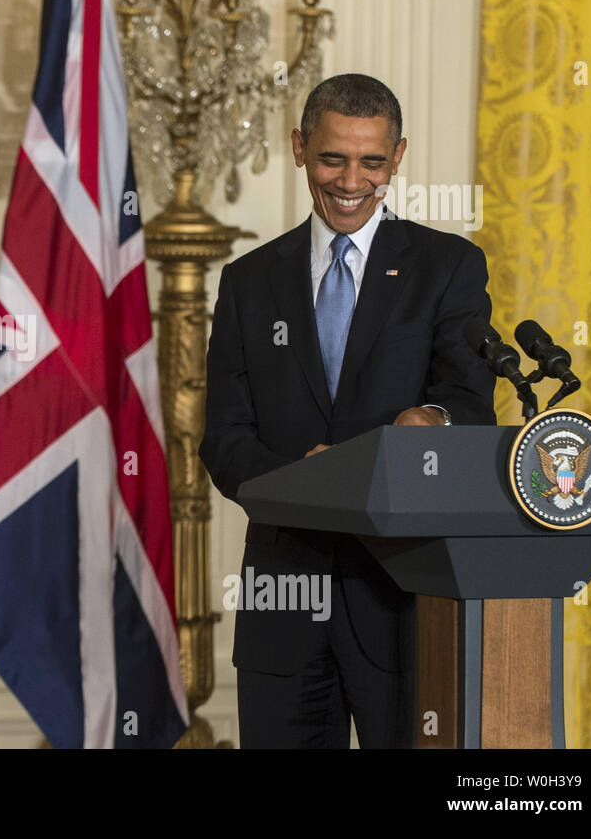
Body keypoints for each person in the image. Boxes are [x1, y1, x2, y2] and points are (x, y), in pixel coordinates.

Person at [199, 73, 496, 749]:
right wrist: (300, 482)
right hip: (283, 606)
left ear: (398, 158)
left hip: (402, 601)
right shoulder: (249, 281)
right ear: (301, 147)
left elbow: (470, 402)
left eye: (371, 161)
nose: (350, 180)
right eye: (333, 157)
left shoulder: (447, 266)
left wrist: (434, 422)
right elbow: (224, 440)